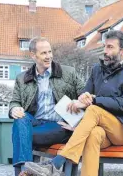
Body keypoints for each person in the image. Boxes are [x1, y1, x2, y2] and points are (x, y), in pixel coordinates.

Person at [24, 30, 123, 176]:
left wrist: (93, 100)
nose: (105, 51)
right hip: (100, 128)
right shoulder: (98, 69)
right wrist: (78, 118)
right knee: (93, 135)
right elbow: (85, 96)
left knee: (94, 109)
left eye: (110, 47)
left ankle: (56, 164)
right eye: (104, 46)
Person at [9, 37, 84, 176]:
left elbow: (85, 94)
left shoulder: (69, 72)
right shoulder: (22, 78)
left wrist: (79, 102)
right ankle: (27, 170)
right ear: (33, 55)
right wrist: (14, 109)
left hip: (58, 124)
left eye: (50, 52)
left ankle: (22, 171)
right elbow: (15, 101)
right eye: (44, 53)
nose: (49, 56)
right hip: (35, 121)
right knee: (20, 120)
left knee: (19, 134)